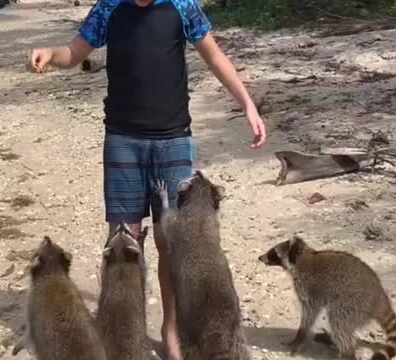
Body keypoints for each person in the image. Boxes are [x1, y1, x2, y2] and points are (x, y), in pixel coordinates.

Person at [27, 0, 266, 357]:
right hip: (123, 141)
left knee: (173, 245)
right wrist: (50, 52)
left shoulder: (182, 6)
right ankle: (124, 337)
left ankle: (171, 332)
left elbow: (214, 56)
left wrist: (246, 103)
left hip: (173, 141)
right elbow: (75, 52)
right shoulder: (110, 7)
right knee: (122, 247)